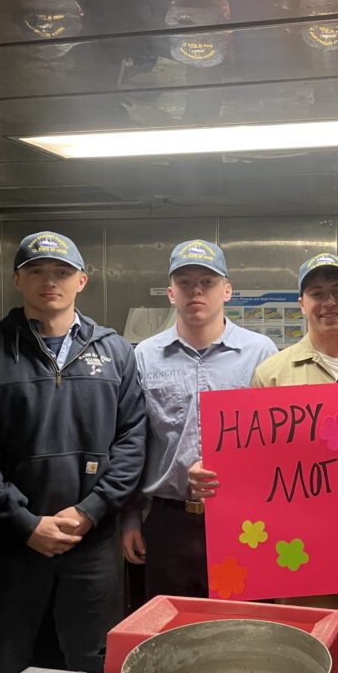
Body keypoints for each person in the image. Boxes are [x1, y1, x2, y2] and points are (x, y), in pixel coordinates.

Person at [192, 253, 338, 673]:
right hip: (301, 552)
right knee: (308, 664)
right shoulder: (273, 374)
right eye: (317, 293)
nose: (328, 302)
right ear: (301, 303)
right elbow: (256, 463)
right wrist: (215, 474)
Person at [0, 231, 146, 673]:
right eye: (35, 271)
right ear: (17, 279)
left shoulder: (116, 352)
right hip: (12, 549)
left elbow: (132, 441)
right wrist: (24, 521)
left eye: (60, 272)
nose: (48, 281)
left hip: (92, 546)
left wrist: (89, 511)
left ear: (82, 280)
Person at [120, 239, 276, 598]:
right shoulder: (145, 356)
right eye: (185, 282)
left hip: (244, 520)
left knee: (242, 622)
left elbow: (273, 442)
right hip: (168, 523)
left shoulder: (261, 353)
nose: (196, 291)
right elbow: (132, 441)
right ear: (171, 293)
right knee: (173, 624)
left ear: (227, 291)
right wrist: (130, 519)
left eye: (207, 282)